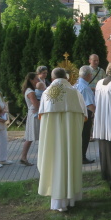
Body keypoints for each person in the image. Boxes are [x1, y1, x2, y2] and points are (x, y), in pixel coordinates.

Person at [37, 67, 87, 211]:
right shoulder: (74, 92)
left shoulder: (46, 93)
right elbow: (84, 116)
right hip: (70, 137)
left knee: (55, 162)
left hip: (53, 138)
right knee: (69, 161)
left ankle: (58, 201)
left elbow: (42, 117)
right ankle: (72, 198)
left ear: (52, 79)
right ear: (66, 78)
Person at [75, 65, 97, 164]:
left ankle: (78, 155)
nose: (92, 76)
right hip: (85, 114)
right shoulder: (85, 88)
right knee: (85, 135)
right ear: (88, 75)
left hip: (77, 113)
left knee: (80, 136)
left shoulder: (77, 84)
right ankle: (82, 157)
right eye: (91, 74)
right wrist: (97, 114)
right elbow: (90, 105)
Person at [19, 73, 40, 166]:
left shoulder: (30, 90)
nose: (38, 81)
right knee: (33, 136)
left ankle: (23, 157)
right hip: (35, 115)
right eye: (36, 79)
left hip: (33, 113)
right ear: (31, 80)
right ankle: (24, 157)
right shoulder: (30, 92)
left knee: (30, 137)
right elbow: (36, 105)